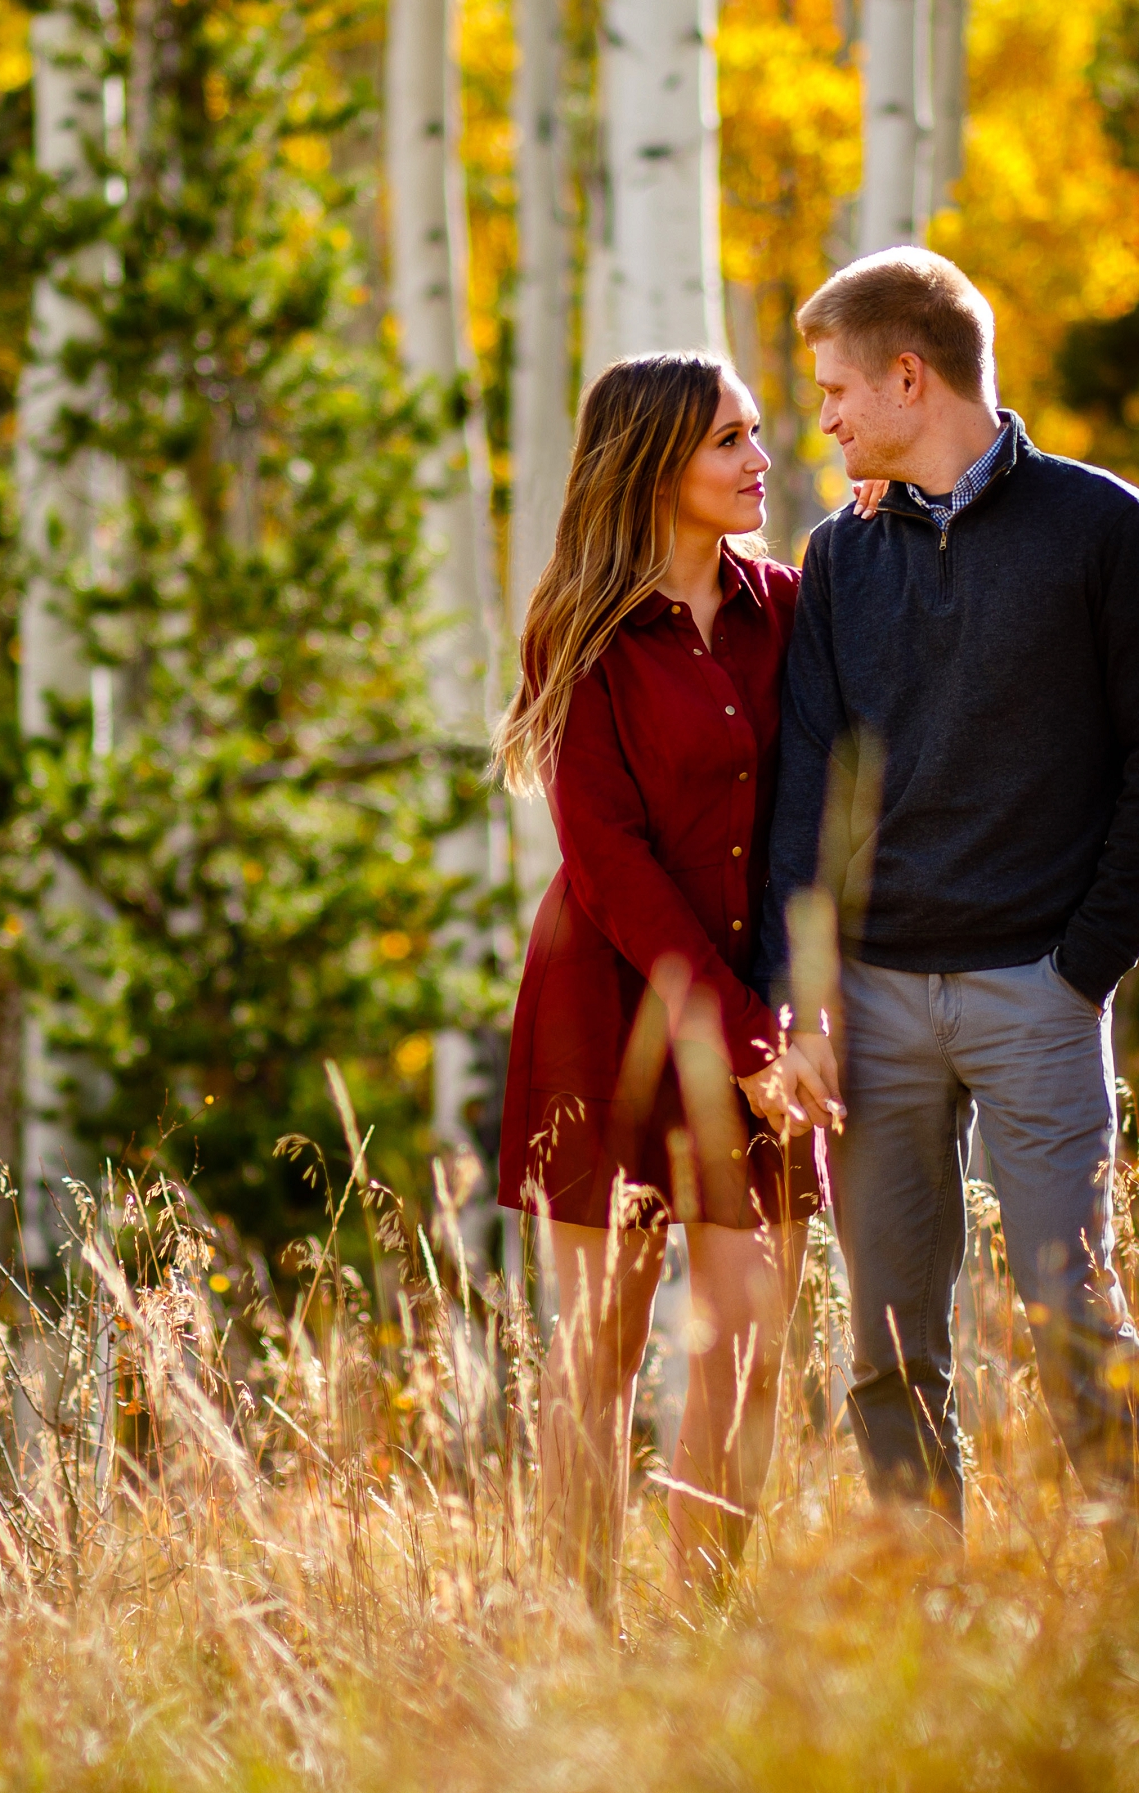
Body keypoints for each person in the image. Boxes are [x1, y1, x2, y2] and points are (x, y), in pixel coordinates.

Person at [752, 246, 1139, 1541]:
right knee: (890, 1340)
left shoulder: (1105, 529)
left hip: (1038, 992)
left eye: (841, 390)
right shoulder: (840, 559)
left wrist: (1083, 965)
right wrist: (805, 1001)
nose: (827, 418)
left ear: (913, 376)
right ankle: (927, 1614)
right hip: (876, 1007)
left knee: (1071, 1309)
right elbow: (807, 789)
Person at [494, 352, 818, 1608]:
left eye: (751, 434)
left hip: (768, 1020)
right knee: (602, 1354)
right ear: (652, 467)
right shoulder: (577, 635)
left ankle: (699, 1646)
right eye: (727, 441)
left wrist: (790, 1026)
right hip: (610, 1015)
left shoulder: (791, 607)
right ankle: (580, 1640)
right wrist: (749, 1038)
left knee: (743, 1352)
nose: (759, 458)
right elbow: (613, 866)